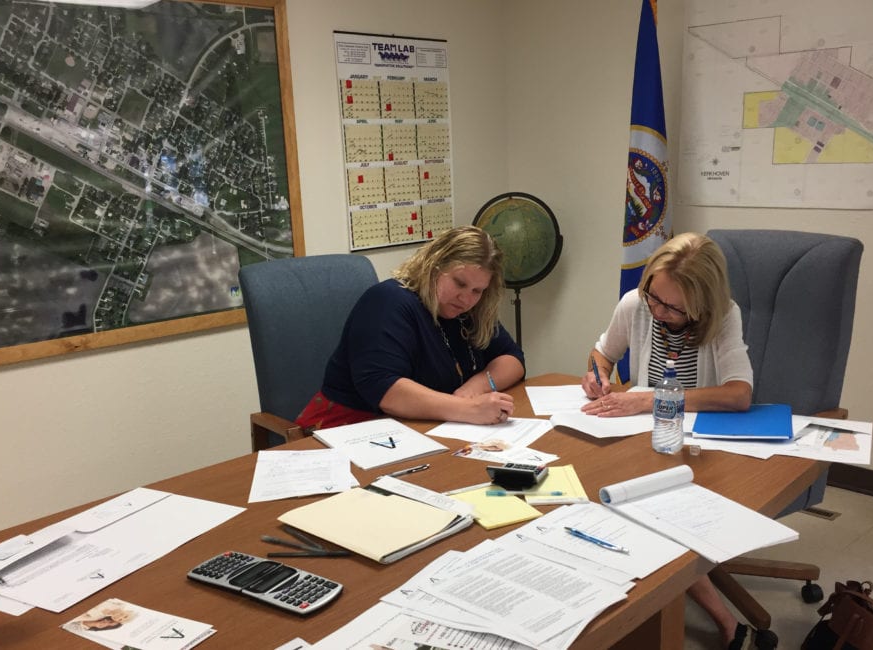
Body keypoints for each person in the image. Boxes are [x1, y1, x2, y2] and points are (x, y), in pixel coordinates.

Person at [582, 232, 755, 650]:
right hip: (640, 439)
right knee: (598, 491)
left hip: (700, 447)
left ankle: (726, 623)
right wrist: (598, 375)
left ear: (701, 303)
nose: (658, 311)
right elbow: (602, 352)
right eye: (654, 298)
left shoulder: (724, 317)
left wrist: (649, 400)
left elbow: (739, 393)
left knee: (651, 515)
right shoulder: (637, 305)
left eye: (673, 307)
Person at [296, 226, 525, 431]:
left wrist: (476, 387)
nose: (466, 298)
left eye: (477, 290)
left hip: (422, 428)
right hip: (350, 429)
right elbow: (384, 389)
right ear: (434, 267)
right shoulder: (389, 300)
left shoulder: (470, 309)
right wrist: (467, 408)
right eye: (459, 283)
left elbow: (512, 359)